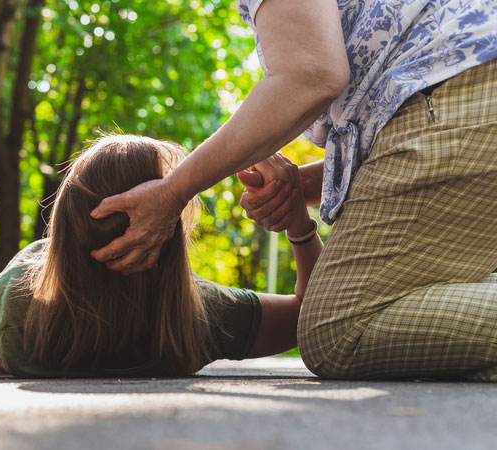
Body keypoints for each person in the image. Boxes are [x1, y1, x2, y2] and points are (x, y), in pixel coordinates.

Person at [89, 0, 497, 380]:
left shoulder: (195, 313)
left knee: (337, 332)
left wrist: (174, 191)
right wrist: (298, 191)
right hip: (468, 81)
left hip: (460, 84)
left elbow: (311, 73)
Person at [0, 135, 321, 377]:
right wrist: (299, 226)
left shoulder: (18, 301)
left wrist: (2, 340)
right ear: (168, 234)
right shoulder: (199, 314)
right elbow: (312, 316)